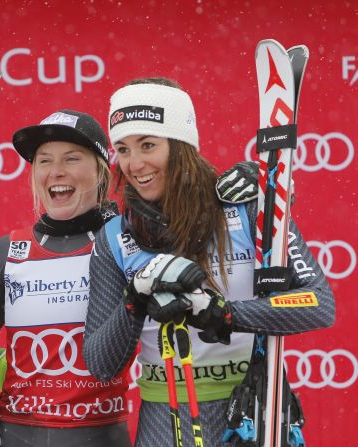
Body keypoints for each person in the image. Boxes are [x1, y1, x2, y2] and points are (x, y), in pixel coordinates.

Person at [82, 78, 335, 447]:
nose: (134, 164)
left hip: (248, 414)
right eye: (122, 149)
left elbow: (318, 303)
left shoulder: (246, 206)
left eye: (148, 145)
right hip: (163, 425)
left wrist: (228, 315)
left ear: (181, 144)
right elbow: (100, 363)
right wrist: (133, 302)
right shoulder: (115, 237)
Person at [0, 110, 132, 447]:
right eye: (44, 160)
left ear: (100, 169)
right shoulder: (9, 250)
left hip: (103, 433)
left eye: (71, 158)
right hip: (17, 433)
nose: (56, 171)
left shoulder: (127, 243)